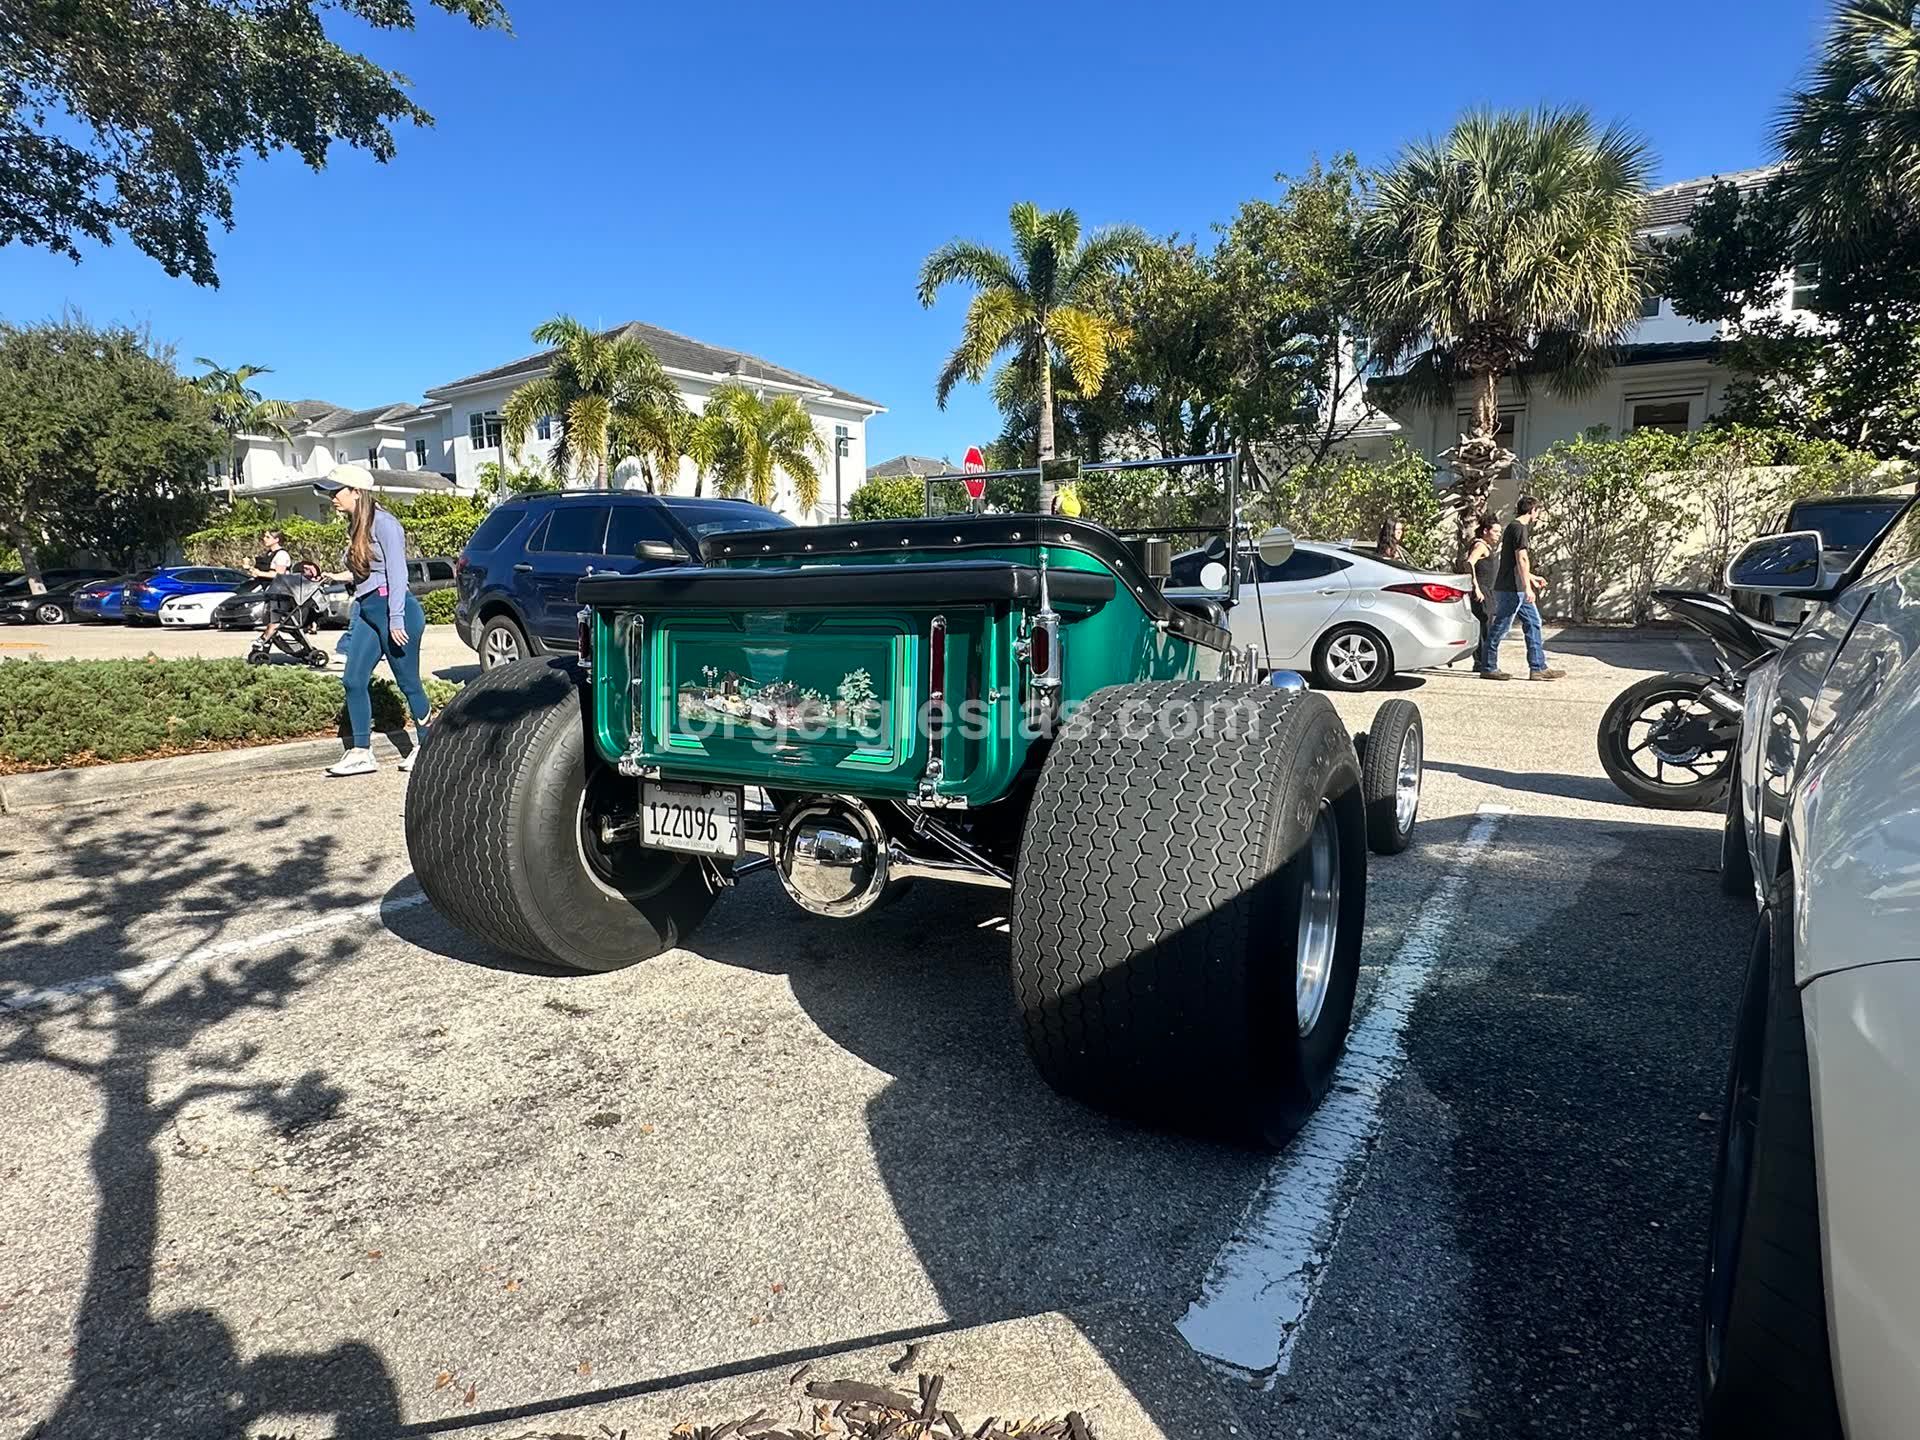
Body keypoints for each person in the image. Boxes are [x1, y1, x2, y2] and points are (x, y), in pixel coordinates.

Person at [313, 465, 432, 775]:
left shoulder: (386, 524)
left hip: (396, 610)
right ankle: (361, 752)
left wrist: (396, 619)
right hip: (368, 608)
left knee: (408, 683)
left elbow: (397, 573)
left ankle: (427, 746)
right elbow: (365, 572)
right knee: (352, 679)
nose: (332, 499)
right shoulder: (357, 525)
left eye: (336, 492)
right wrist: (334, 576)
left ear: (356, 491)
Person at [1480, 495, 1565, 681]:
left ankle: (1538, 668)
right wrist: (1528, 588)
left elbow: (1515, 563)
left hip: (1516, 586)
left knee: (1534, 622)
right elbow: (1521, 559)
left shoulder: (1514, 527)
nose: (1538, 515)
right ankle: (1487, 666)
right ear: (1532, 511)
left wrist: (1531, 578)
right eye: (1538, 511)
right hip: (1512, 589)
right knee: (1501, 626)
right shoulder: (1519, 528)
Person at [1464, 514, 1501, 672]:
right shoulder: (1480, 546)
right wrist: (1476, 587)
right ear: (1486, 531)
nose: (1498, 535)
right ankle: (1482, 662)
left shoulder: (1486, 546)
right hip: (1482, 590)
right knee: (1484, 627)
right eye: (1496, 531)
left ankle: (1482, 661)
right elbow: (1469, 563)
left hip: (1488, 590)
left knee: (1486, 625)